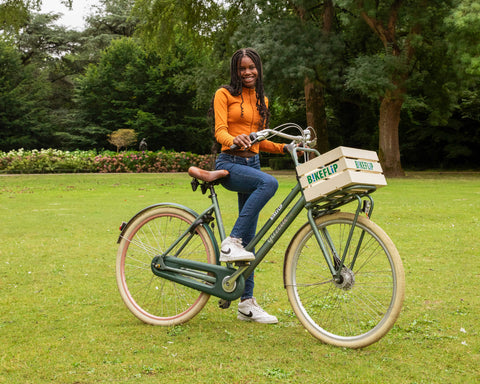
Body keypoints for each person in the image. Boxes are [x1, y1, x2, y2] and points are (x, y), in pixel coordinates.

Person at [212, 48, 287, 324]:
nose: (247, 72)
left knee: (251, 240)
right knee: (270, 183)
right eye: (242, 68)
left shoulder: (261, 99)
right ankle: (230, 243)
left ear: (259, 68)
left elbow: (261, 140)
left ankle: (246, 303)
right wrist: (235, 139)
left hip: (252, 164)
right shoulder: (224, 94)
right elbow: (220, 131)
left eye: (251, 67)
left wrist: (285, 147)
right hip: (229, 162)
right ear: (236, 70)